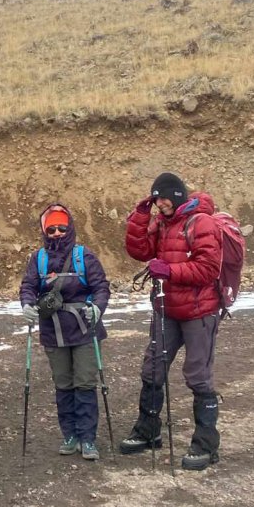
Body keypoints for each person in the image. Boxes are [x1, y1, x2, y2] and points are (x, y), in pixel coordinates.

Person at [122, 172, 223, 471]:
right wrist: (141, 217)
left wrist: (170, 270)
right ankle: (148, 431)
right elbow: (138, 250)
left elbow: (207, 269)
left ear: (177, 195)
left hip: (198, 311)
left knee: (198, 376)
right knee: (152, 368)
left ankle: (206, 444)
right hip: (167, 309)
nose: (159, 204)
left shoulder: (201, 222)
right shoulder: (162, 223)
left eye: (163, 198)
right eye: (155, 200)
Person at [19, 204, 110, 460]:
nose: (57, 233)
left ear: (69, 228)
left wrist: (97, 308)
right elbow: (28, 285)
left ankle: (87, 438)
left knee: (85, 383)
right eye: (52, 229)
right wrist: (26, 304)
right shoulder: (38, 259)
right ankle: (69, 435)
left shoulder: (85, 256)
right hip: (54, 330)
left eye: (61, 228)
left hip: (84, 327)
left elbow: (101, 286)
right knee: (63, 384)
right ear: (44, 231)